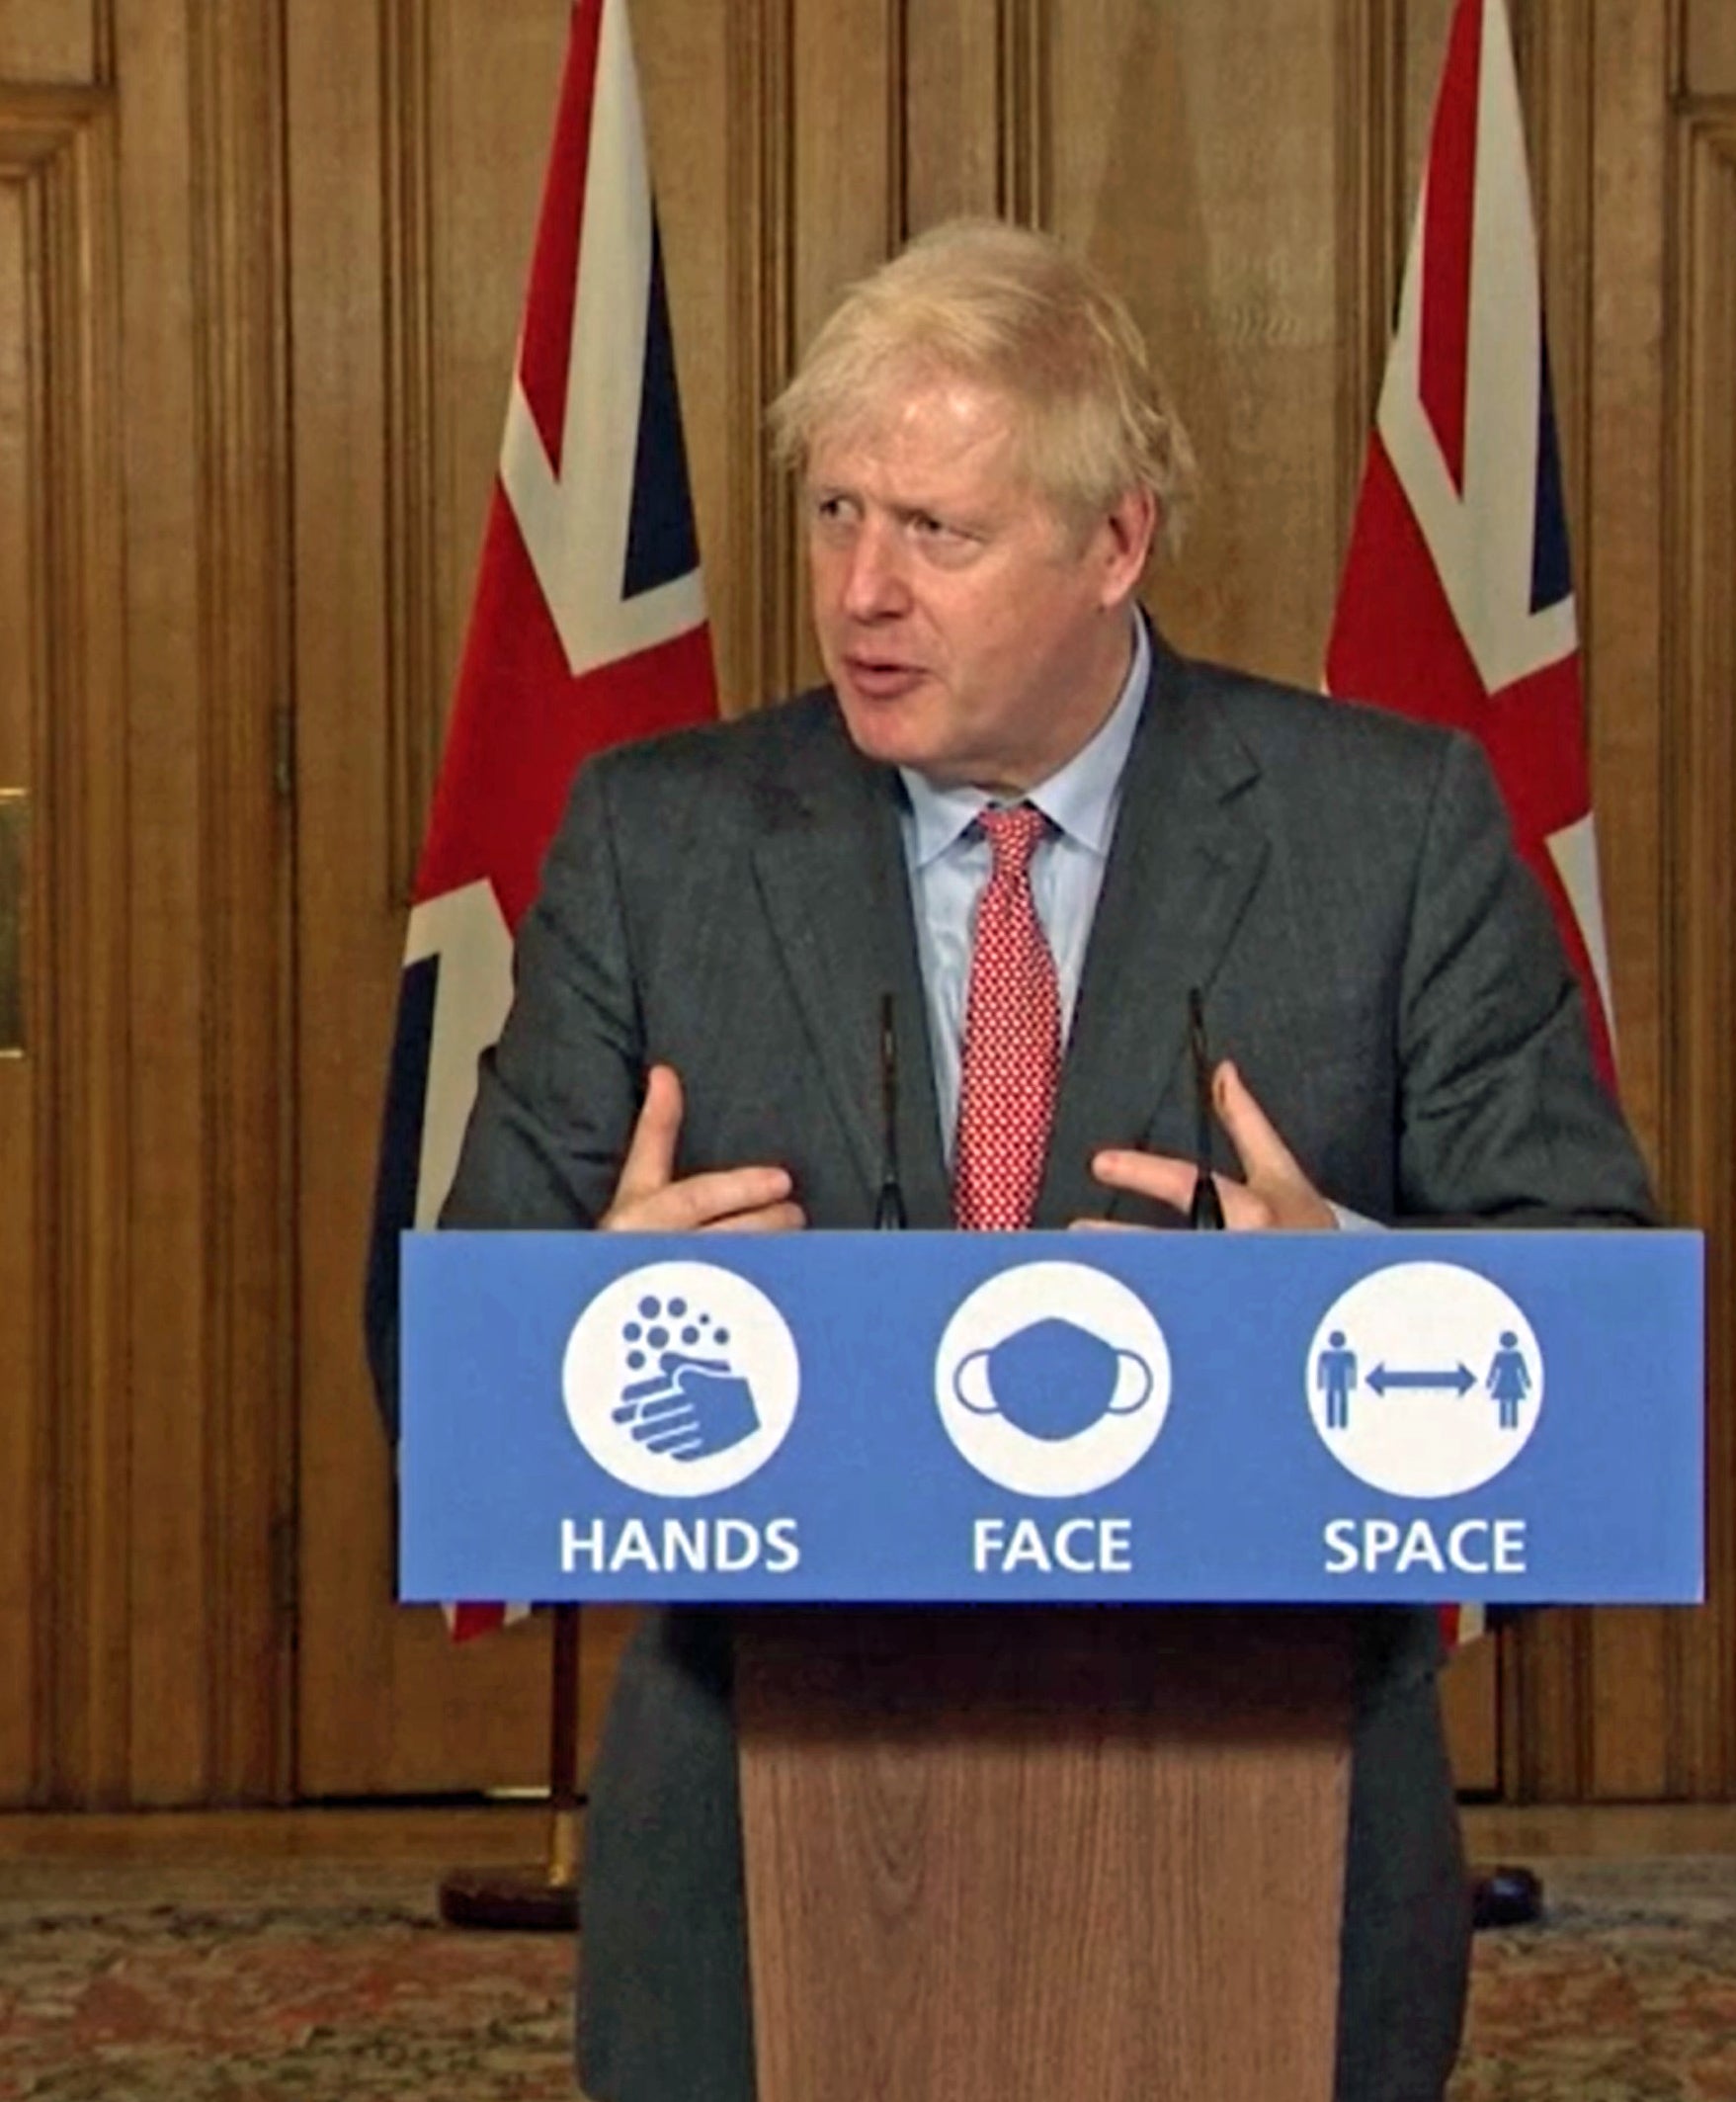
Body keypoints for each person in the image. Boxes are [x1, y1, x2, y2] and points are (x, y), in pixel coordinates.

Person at [441, 217, 1654, 2102]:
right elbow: (456, 1371)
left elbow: (1588, 1334)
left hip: (1259, 1813)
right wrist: (585, 1314)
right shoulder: (660, 840)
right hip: (759, 1810)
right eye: (836, 514)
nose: (863, 592)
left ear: (1114, 543)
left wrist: (1355, 1294)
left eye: (939, 531)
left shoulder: (1386, 830)